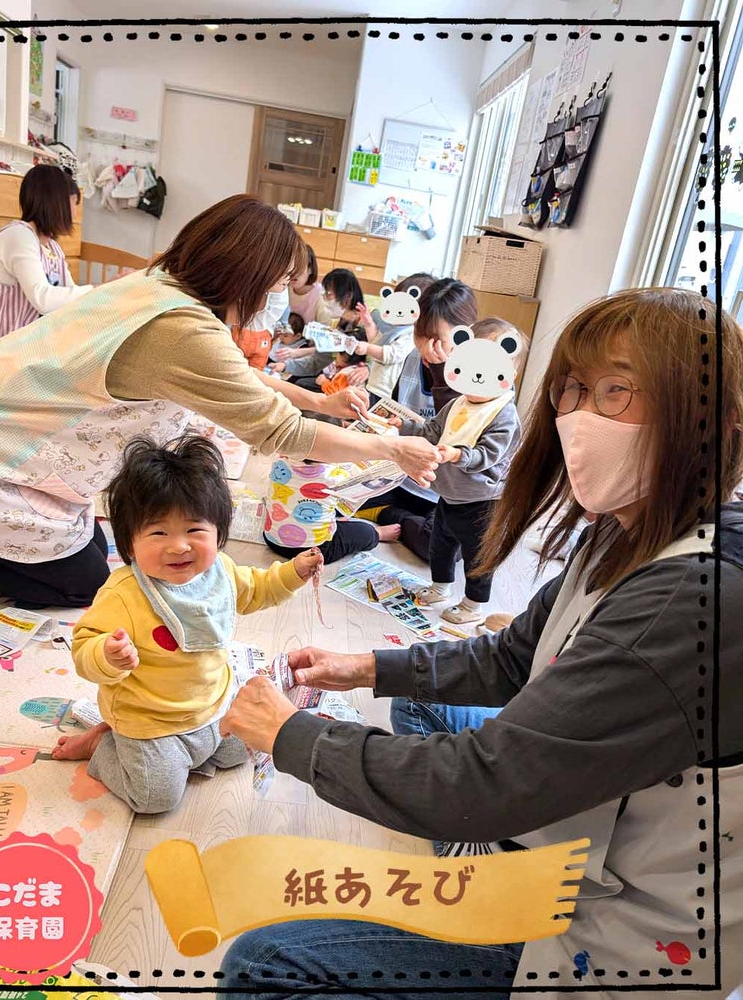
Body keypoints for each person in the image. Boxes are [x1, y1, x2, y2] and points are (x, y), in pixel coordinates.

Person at [218, 288, 743, 999]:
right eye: (573, 390)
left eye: (616, 390)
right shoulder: (626, 528)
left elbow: (490, 781)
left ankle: (477, 885)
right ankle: (473, 856)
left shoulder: (691, 600)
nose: (580, 416)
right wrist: (363, 666)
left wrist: (292, 736)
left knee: (265, 963)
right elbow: (513, 656)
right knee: (419, 706)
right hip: (559, 825)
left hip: (595, 930)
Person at [0, 194, 439, 609]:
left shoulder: (159, 284)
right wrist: (392, 449)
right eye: (274, 285)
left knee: (94, 545)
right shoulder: (182, 328)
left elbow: (235, 375)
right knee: (86, 587)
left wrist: (323, 404)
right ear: (246, 275)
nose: (272, 299)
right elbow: (284, 431)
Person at [51, 434, 322, 813]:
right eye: (158, 532)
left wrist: (293, 573)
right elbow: (84, 647)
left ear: (218, 532)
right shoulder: (125, 593)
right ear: (129, 543)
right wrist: (107, 655)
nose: (179, 546)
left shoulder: (221, 571)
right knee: (155, 798)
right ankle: (102, 745)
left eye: (194, 530)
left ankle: (180, 756)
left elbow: (257, 589)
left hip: (212, 704)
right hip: (150, 722)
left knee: (243, 750)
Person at [395, 319, 523, 625]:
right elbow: (431, 430)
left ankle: (472, 605)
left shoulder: (504, 415)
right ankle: (440, 588)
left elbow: (489, 455)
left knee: (478, 556)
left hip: (482, 501)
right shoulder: (457, 404)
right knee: (440, 546)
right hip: (449, 495)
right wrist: (402, 425)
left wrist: (457, 454)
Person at [357, 279, 482, 560]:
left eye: (436, 339)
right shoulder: (412, 358)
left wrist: (441, 374)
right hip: (402, 476)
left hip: (446, 491)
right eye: (419, 334)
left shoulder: (482, 375)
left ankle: (388, 514)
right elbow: (395, 412)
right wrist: (371, 423)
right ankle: (390, 511)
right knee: (332, 498)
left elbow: (457, 435)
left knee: (441, 549)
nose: (426, 347)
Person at [0, 164, 94, 342]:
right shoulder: (18, 236)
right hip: (8, 347)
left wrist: (106, 291)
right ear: (55, 203)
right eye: (73, 203)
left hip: (37, 344)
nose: (74, 213)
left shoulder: (53, 247)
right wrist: (96, 289)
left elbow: (70, 297)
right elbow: (43, 299)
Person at [263, 455, 400, 565]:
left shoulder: (280, 461)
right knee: (364, 531)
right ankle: (378, 534)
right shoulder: (335, 476)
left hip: (272, 539)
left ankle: (332, 523)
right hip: (315, 551)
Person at [352, 272, 435, 404]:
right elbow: (377, 343)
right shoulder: (396, 329)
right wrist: (369, 323)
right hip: (375, 386)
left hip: (386, 392)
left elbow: (392, 354)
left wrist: (367, 348)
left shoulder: (411, 333)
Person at [315, 328, 369, 395]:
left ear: (344, 356)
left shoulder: (345, 374)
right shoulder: (359, 367)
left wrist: (324, 382)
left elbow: (334, 393)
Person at [287, 244, 324, 324]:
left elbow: (326, 328)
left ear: (310, 269)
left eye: (299, 267)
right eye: (290, 266)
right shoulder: (283, 289)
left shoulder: (321, 295)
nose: (293, 272)